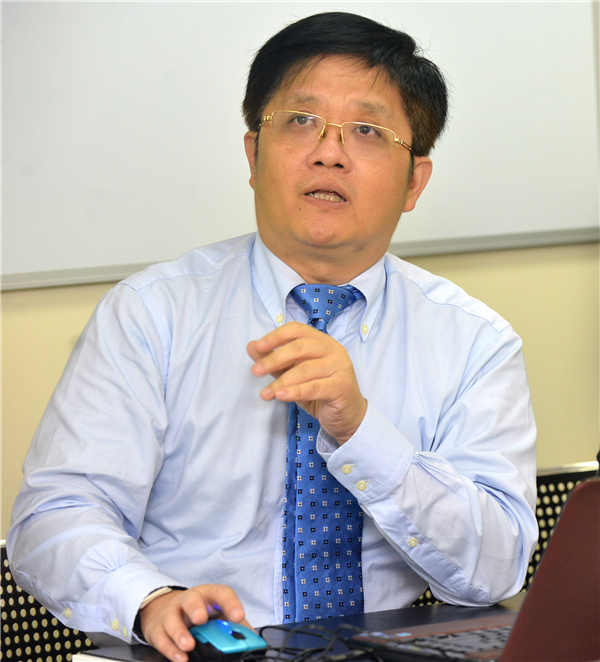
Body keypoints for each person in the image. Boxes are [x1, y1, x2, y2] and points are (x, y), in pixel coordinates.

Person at [7, 11, 538, 662]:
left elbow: (495, 571)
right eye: (301, 120)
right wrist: (149, 599)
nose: (328, 152)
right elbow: (56, 513)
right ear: (253, 155)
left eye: (367, 131)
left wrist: (361, 430)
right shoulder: (152, 315)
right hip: (198, 655)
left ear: (414, 183)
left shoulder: (474, 342)